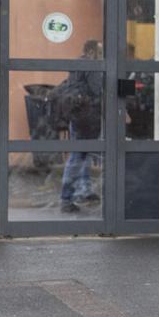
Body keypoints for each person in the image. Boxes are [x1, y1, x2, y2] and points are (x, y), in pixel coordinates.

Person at [55, 40, 103, 213]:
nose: (102, 53)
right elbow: (98, 90)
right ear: (91, 51)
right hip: (87, 117)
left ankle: (84, 190)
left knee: (83, 154)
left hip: (76, 116)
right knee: (78, 156)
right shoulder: (91, 66)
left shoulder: (77, 65)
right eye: (100, 50)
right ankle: (66, 198)